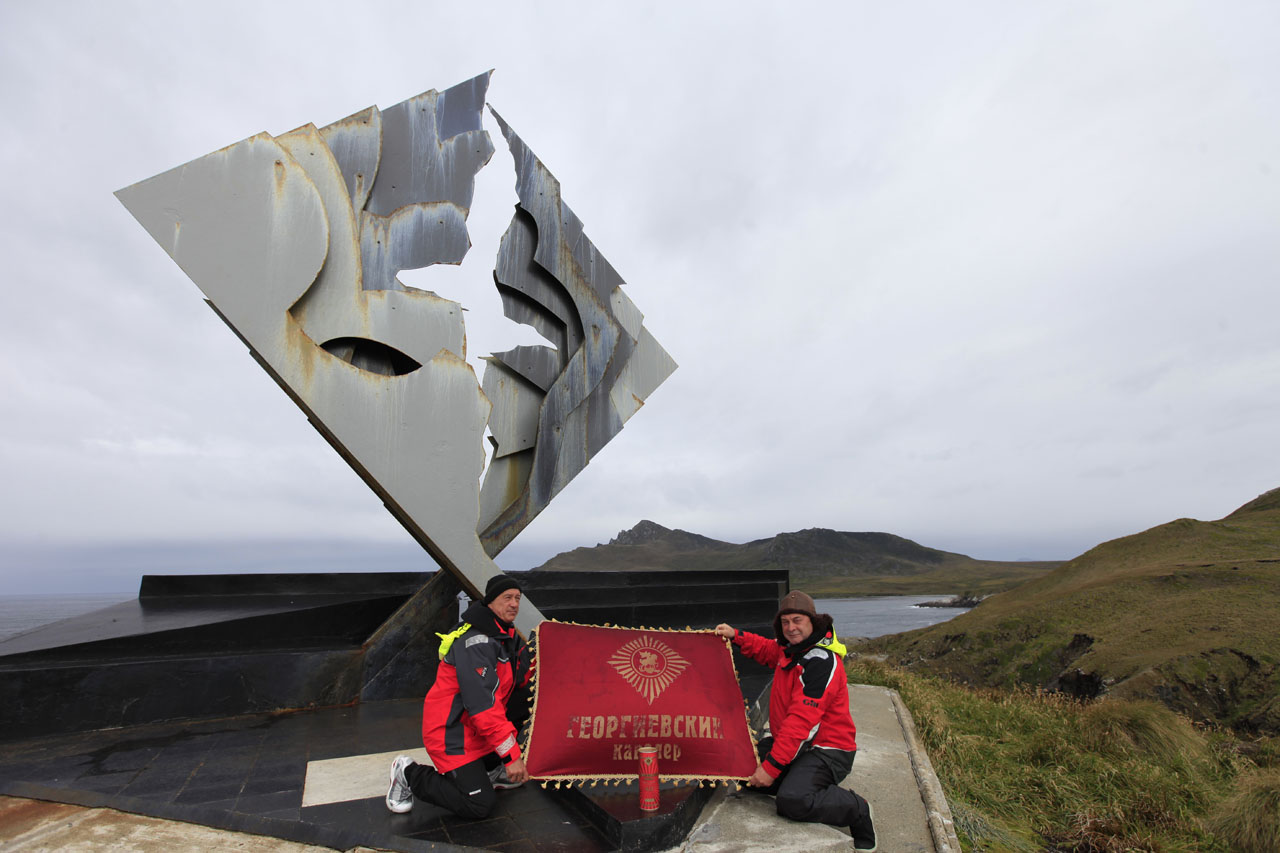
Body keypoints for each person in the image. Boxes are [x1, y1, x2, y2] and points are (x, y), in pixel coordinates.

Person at [715, 591, 877, 850]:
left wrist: (771, 769)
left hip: (828, 750)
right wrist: (737, 636)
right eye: (785, 622)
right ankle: (794, 775)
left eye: (797, 620)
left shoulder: (821, 662)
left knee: (792, 801)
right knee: (740, 765)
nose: (791, 628)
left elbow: (802, 724)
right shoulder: (792, 649)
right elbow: (768, 649)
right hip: (797, 746)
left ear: (812, 621)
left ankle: (857, 809)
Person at [386, 574, 535, 819]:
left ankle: (490, 768)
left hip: (477, 730)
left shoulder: (506, 636)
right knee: (479, 805)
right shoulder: (476, 643)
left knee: (527, 698)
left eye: (517, 598)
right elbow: (482, 707)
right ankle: (408, 774)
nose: (514, 604)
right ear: (489, 602)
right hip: (452, 732)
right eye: (507, 597)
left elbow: (521, 679)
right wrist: (511, 756)